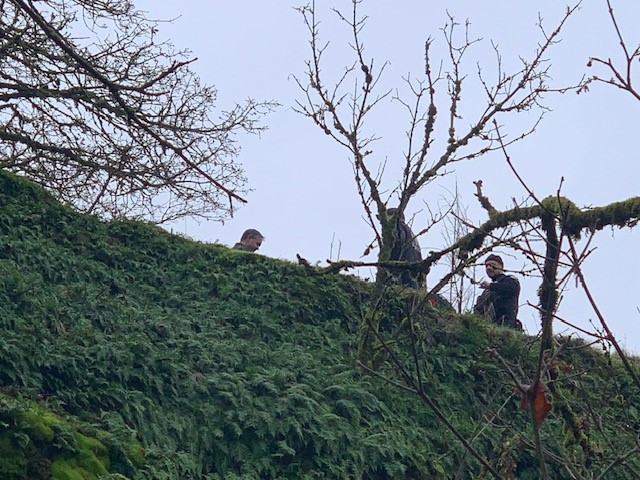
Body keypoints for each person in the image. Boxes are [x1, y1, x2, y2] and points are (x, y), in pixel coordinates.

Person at [473, 254, 521, 329]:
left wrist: (491, 286)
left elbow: (511, 289)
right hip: (489, 328)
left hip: (506, 325)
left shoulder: (510, 280)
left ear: (501, 267)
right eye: (486, 266)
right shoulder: (487, 291)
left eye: (492, 265)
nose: (488, 268)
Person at [386, 208, 424, 288]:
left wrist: (390, 268)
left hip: (402, 274)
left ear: (393, 217)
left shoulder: (397, 228)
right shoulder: (411, 234)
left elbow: (396, 246)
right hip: (413, 274)